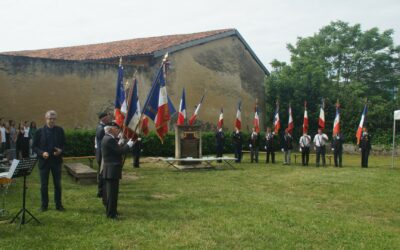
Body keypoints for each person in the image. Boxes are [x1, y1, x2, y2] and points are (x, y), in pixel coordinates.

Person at [33, 110, 65, 212]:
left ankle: (58, 205)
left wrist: (60, 151)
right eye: (50, 118)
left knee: (58, 185)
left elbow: (64, 144)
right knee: (44, 185)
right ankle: (44, 205)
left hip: (56, 161)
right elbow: (34, 147)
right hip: (44, 162)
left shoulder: (60, 130)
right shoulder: (39, 131)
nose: (52, 120)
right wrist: (42, 153)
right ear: (46, 119)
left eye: (54, 119)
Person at [101, 121, 134, 219]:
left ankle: (112, 212)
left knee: (112, 194)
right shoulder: (109, 140)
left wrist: (123, 142)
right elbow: (120, 151)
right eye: (117, 129)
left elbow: (116, 148)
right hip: (112, 169)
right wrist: (130, 143)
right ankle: (111, 215)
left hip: (110, 169)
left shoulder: (108, 138)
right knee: (112, 194)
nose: (118, 131)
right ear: (111, 129)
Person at [95, 112, 110, 198]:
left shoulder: (103, 127)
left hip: (102, 153)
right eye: (107, 117)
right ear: (103, 118)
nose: (108, 118)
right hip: (101, 154)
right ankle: (100, 191)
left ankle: (102, 190)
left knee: (103, 172)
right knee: (101, 173)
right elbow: (103, 142)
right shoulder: (101, 128)